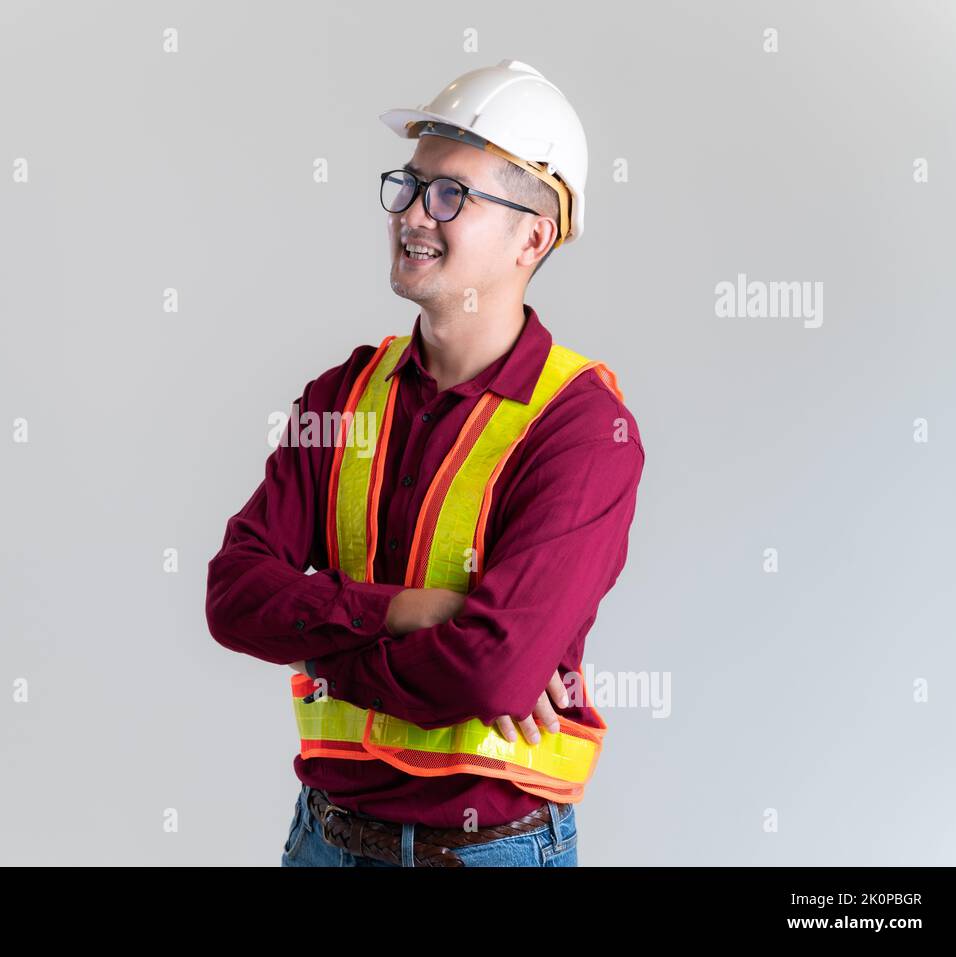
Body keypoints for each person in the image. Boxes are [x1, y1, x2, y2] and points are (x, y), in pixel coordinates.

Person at [206, 59, 645, 867]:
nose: (413, 213)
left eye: (451, 195)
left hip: (493, 854)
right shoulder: (340, 398)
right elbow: (232, 596)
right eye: (407, 186)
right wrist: (409, 610)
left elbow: (492, 676)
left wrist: (316, 642)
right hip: (323, 839)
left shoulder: (582, 429)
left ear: (533, 236)